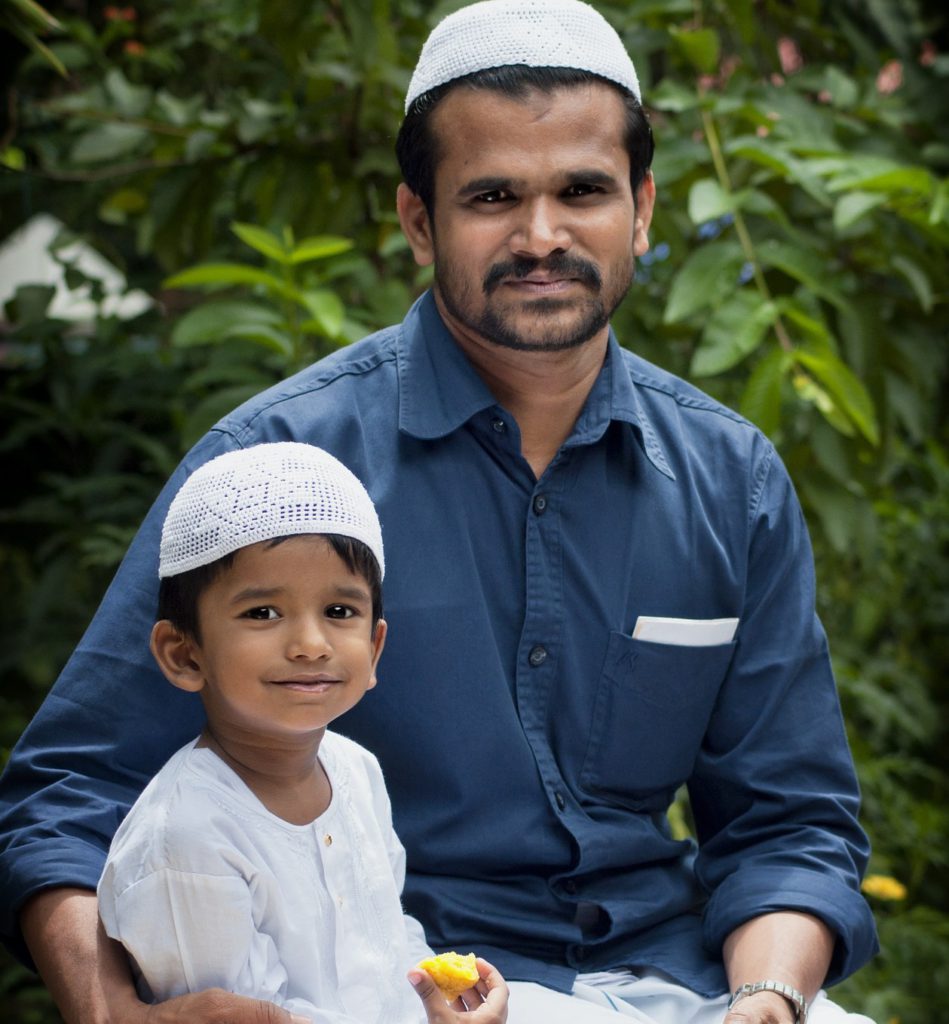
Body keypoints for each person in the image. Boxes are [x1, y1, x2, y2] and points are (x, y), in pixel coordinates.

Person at [0, 1, 879, 1022]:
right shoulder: (277, 469)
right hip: (390, 987)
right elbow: (68, 793)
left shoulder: (733, 482)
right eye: (492, 195)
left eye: (581, 192)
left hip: (687, 985)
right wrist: (113, 1015)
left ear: (640, 209)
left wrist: (768, 998)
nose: (541, 235)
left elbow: (787, 824)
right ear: (420, 222)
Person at [94, 441, 508, 1024]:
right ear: (184, 653)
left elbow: (387, 935)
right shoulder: (187, 838)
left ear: (374, 648)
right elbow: (246, 1015)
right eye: (262, 613)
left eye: (340, 612)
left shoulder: (355, 770)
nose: (311, 643)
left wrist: (437, 993)